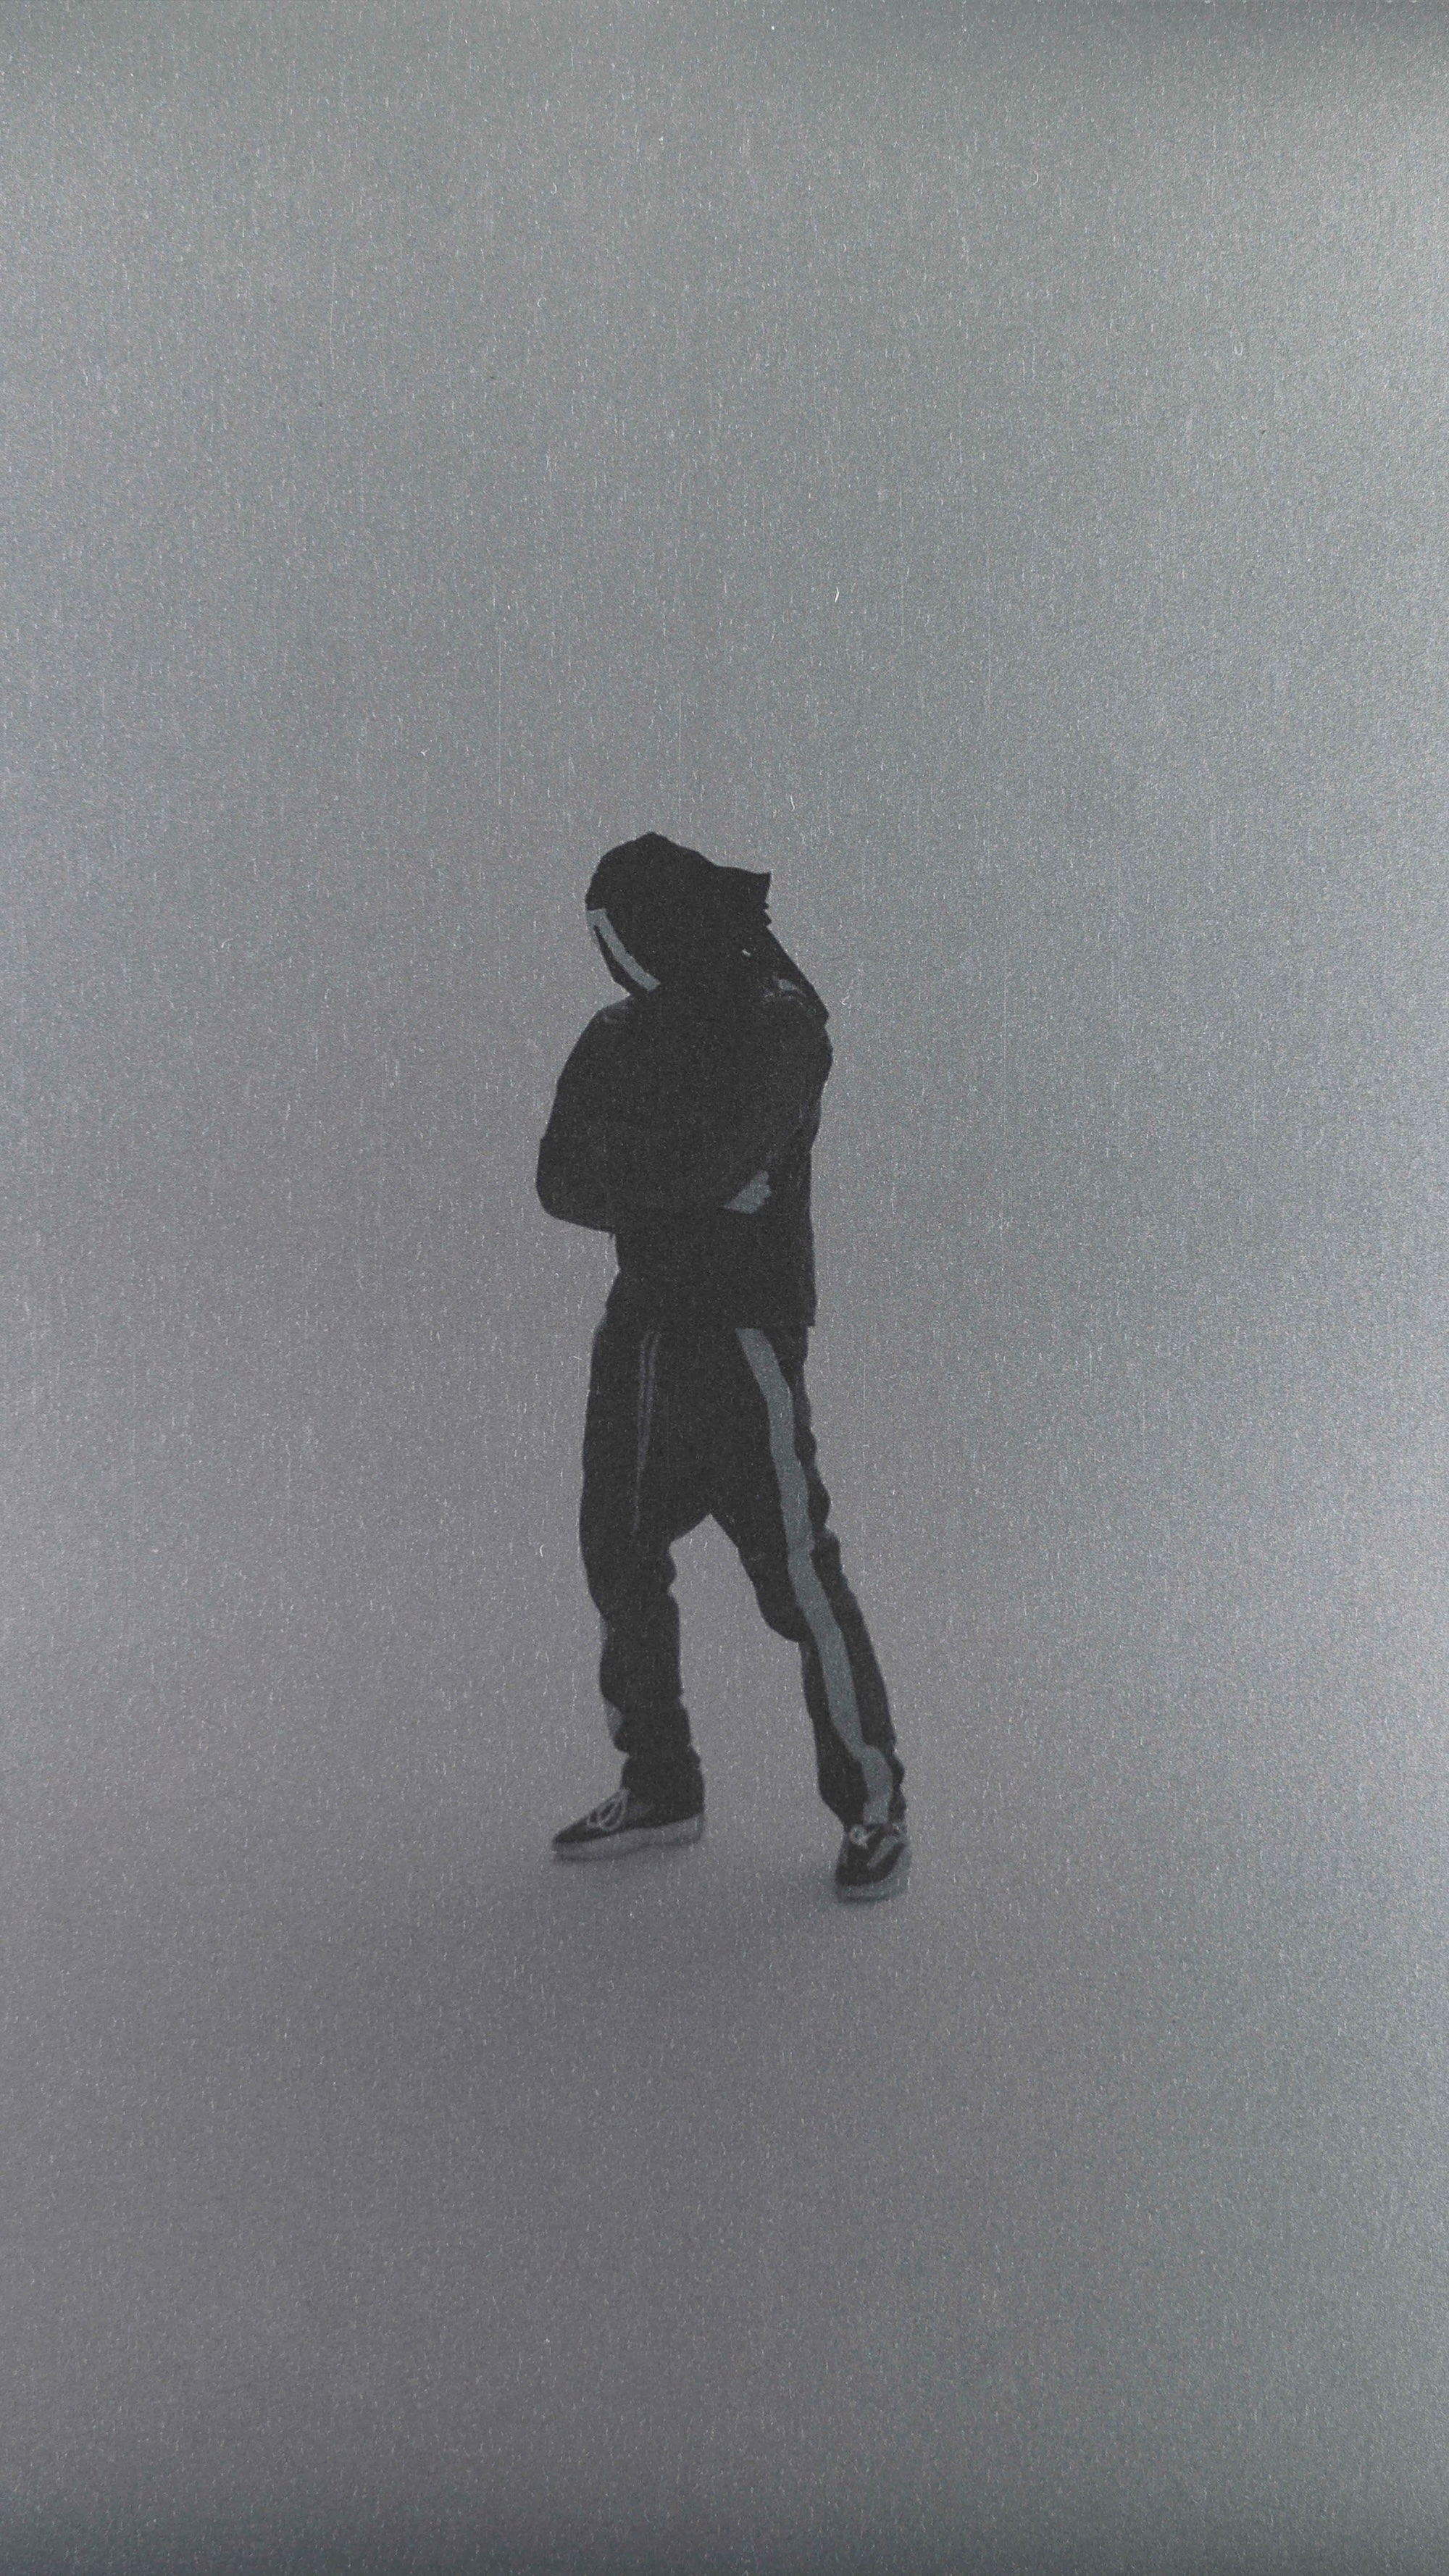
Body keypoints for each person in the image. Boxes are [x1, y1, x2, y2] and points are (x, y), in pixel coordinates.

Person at [535, 832, 909, 1903]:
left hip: (743, 1338)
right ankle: (660, 1784)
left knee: (798, 1577)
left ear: (669, 927)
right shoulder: (619, 1033)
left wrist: (652, 1171)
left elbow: (712, 1159)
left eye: (621, 934)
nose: (613, 958)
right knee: (617, 1555)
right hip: (643, 1334)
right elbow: (560, 1179)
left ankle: (874, 1806)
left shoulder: (780, 1024)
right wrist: (684, 1181)